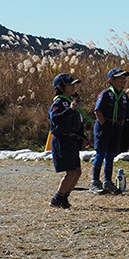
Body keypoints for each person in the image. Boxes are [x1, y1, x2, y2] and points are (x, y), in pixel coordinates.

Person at [49, 73, 90, 209]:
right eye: (69, 85)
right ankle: (57, 198)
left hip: (72, 140)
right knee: (71, 172)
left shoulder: (72, 102)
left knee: (77, 172)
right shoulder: (59, 103)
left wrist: (83, 137)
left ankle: (64, 197)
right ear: (60, 87)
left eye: (74, 84)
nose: (73, 87)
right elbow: (55, 119)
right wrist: (71, 109)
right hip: (62, 140)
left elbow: (76, 123)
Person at [90, 68, 129, 195]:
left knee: (110, 155)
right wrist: (104, 125)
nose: (123, 80)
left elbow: (125, 113)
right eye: (120, 78)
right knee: (100, 154)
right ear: (111, 80)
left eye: (124, 78)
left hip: (116, 127)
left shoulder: (124, 96)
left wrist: (120, 126)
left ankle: (107, 182)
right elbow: (98, 111)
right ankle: (95, 182)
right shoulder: (105, 94)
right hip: (104, 125)